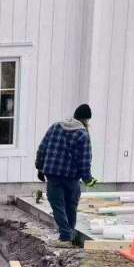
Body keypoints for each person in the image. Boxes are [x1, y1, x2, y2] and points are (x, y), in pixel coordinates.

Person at [36, 104, 98, 246]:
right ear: (86, 120)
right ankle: (67, 236)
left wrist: (39, 168)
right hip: (71, 177)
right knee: (70, 206)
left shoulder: (55, 127)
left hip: (53, 174)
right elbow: (85, 160)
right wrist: (88, 179)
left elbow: (42, 148)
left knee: (58, 206)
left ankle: (67, 236)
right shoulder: (83, 134)